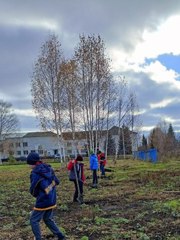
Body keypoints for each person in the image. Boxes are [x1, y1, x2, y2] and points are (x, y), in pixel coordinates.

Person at [27, 152, 66, 240]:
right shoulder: (49, 168)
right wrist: (49, 189)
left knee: (33, 220)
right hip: (52, 198)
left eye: (29, 164)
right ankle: (61, 236)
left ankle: (38, 238)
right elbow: (57, 181)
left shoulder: (35, 173)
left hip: (43, 201)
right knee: (47, 218)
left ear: (33, 163)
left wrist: (38, 194)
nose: (28, 166)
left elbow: (33, 189)